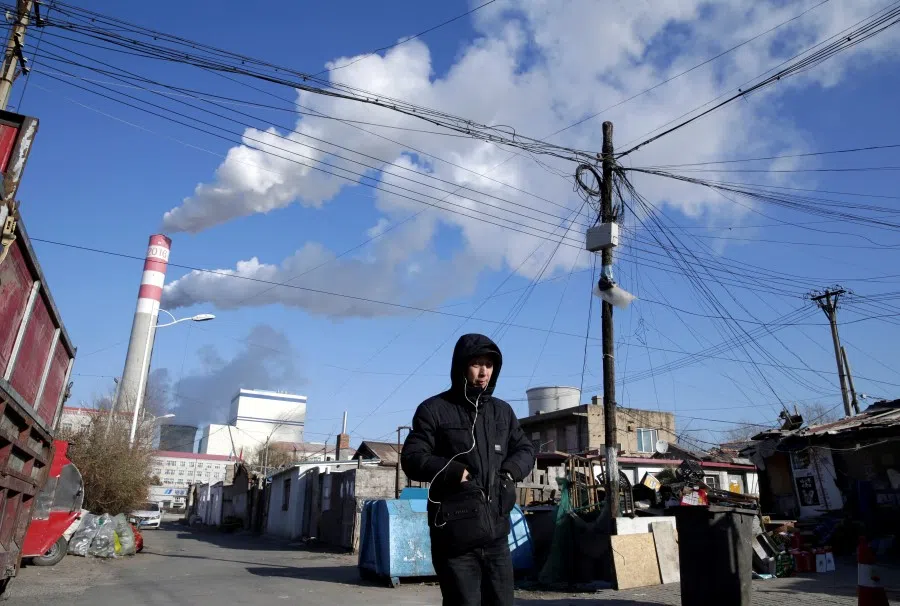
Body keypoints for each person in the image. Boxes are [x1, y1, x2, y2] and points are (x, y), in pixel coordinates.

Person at [401, 333, 535, 606]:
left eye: (489, 364)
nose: (484, 372)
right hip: (455, 538)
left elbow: (525, 449)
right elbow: (413, 458)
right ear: (461, 367)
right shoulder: (434, 410)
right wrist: (453, 471)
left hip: (496, 535)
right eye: (476, 364)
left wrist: (509, 473)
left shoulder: (502, 412)